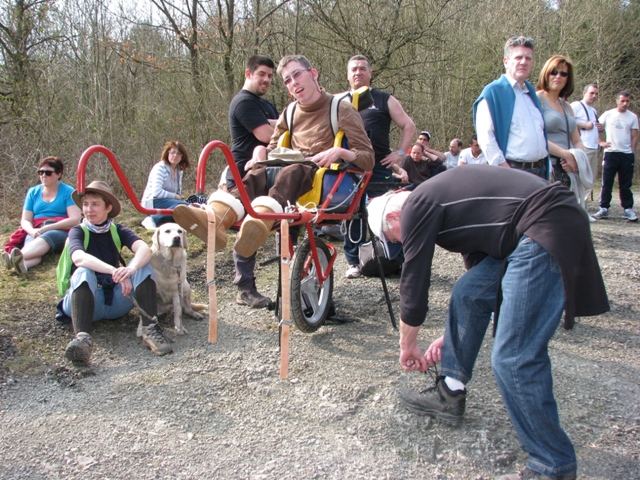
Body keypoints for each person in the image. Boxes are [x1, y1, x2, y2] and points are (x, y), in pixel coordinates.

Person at [367, 165, 608, 480]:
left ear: (394, 218)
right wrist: (454, 337)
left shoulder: (416, 205)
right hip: (535, 225)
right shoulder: (442, 201)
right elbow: (481, 279)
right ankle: (449, 393)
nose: (401, 245)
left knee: (514, 358)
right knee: (468, 292)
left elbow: (414, 281)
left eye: (393, 238)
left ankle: (553, 463)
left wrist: (407, 344)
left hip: (545, 223)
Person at [175, 55, 374, 263]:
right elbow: (273, 146)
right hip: (284, 165)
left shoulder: (341, 108)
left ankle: (259, 225)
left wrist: (340, 152)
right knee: (256, 174)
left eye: (297, 74)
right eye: (287, 80)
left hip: (319, 173)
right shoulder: (289, 112)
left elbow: (368, 158)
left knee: (291, 171)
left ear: (313, 73)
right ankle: (216, 220)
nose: (293, 82)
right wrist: (261, 151)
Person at [61, 181, 171, 364]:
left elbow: (144, 249)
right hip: (83, 299)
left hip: (113, 302)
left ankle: (150, 329)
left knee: (143, 265)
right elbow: (78, 257)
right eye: (86, 204)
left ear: (108, 207)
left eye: (95, 204)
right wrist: (115, 271)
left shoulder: (118, 230)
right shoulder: (77, 231)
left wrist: (130, 269)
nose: (89, 209)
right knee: (83, 271)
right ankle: (82, 339)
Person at [342, 54, 414, 279]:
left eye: (363, 68)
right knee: (351, 213)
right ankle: (354, 262)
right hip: (349, 165)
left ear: (370, 73)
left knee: (387, 214)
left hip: (379, 166)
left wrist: (400, 154)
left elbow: (409, 126)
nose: (358, 72)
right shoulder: (339, 100)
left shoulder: (384, 99)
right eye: (353, 69)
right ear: (348, 74)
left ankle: (394, 260)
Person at [226, 55, 279, 308]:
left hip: (266, 172)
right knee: (250, 227)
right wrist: (278, 124)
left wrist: (278, 123)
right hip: (242, 174)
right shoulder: (243, 102)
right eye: (261, 74)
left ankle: (288, 279)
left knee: (280, 219)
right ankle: (244, 289)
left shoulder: (266, 105)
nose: (267, 79)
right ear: (248, 74)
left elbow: (286, 134)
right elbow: (270, 136)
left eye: (270, 75)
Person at [474, 36, 549, 179]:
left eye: (528, 58)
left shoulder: (531, 94)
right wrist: (506, 174)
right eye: (518, 57)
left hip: (540, 172)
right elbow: (486, 139)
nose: (523, 62)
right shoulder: (493, 93)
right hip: (513, 173)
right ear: (506, 61)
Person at [2, 157, 81, 275]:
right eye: (41, 172)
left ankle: (14, 258)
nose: (44, 175)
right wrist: (32, 231)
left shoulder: (68, 192)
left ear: (59, 174)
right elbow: (25, 219)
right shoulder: (33, 192)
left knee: (48, 235)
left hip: (60, 230)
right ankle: (21, 265)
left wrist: (48, 227)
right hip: (37, 228)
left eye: (48, 173)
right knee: (35, 250)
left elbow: (75, 219)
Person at [593, 91, 639, 222]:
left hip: (626, 154)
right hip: (611, 152)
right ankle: (604, 208)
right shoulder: (608, 114)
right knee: (607, 182)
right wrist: (600, 142)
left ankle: (627, 209)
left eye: (627, 101)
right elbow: (596, 128)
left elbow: (635, 134)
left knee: (625, 183)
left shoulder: (632, 117)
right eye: (622, 101)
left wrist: (632, 150)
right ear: (617, 101)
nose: (625, 103)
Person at [140, 141, 191, 229]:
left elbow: (178, 192)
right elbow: (157, 193)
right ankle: (152, 220)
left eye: (178, 153)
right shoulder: (160, 168)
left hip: (168, 202)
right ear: (167, 153)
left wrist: (177, 197)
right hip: (154, 201)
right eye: (172, 152)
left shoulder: (179, 171)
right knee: (183, 207)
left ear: (182, 157)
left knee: (190, 206)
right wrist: (175, 196)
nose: (175, 155)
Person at [571, 84, 602, 201]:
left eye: (596, 94)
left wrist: (599, 127)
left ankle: (583, 206)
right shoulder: (576, 105)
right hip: (583, 147)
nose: (594, 96)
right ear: (584, 93)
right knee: (581, 177)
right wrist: (584, 125)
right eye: (592, 93)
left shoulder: (593, 110)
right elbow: (568, 121)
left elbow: (594, 127)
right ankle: (577, 205)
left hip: (594, 147)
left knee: (590, 179)